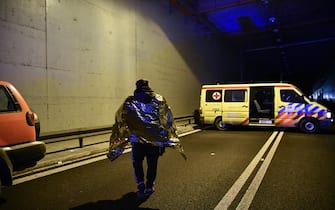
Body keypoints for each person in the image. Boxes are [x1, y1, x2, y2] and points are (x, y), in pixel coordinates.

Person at [108, 79, 184, 199]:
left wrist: (122, 137)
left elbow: (121, 120)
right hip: (154, 141)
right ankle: (149, 186)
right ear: (148, 86)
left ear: (137, 87)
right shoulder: (159, 100)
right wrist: (165, 140)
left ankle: (140, 184)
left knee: (137, 163)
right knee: (152, 164)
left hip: (137, 141)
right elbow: (167, 120)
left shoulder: (129, 102)